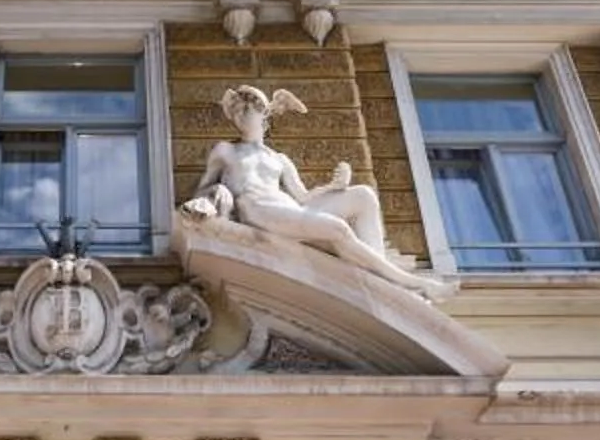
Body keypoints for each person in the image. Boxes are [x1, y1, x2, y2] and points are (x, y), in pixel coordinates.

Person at [181, 85, 448, 298]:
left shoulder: (279, 159)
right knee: (338, 230)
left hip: (289, 209)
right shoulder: (226, 151)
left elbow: (302, 197)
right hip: (258, 209)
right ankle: (404, 282)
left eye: (245, 110)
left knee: (363, 196)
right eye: (235, 112)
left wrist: (335, 185)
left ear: (263, 114)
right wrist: (218, 194)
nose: (238, 116)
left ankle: (379, 280)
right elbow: (202, 189)